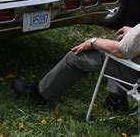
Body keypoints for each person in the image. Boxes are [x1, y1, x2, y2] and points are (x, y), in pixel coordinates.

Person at [12, 24, 140, 113]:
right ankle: (116, 100)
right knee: (123, 45)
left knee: (76, 57)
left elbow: (120, 51)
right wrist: (133, 32)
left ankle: (41, 93)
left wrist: (93, 41)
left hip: (136, 76)